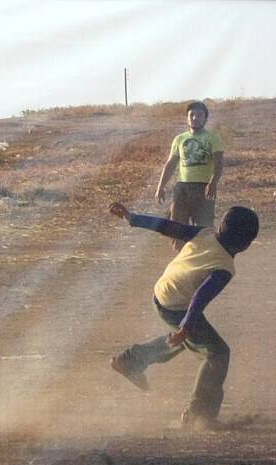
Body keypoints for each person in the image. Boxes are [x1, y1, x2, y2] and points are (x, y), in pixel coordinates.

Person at [108, 201, 258, 429]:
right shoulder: (225, 267)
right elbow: (200, 297)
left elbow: (167, 226)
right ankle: (199, 415)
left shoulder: (204, 234)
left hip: (162, 293)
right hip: (176, 305)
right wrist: (187, 325)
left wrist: (133, 218)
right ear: (245, 244)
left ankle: (131, 360)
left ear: (220, 227)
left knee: (188, 340)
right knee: (217, 353)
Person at [154, 101, 225, 251]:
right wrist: (160, 187)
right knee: (178, 227)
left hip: (204, 188)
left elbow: (219, 163)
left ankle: (203, 261)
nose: (195, 118)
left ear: (205, 118)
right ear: (187, 118)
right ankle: (181, 261)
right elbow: (170, 164)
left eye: (199, 115)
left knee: (204, 229)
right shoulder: (179, 139)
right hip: (182, 188)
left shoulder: (212, 138)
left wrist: (213, 183)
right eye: (191, 115)